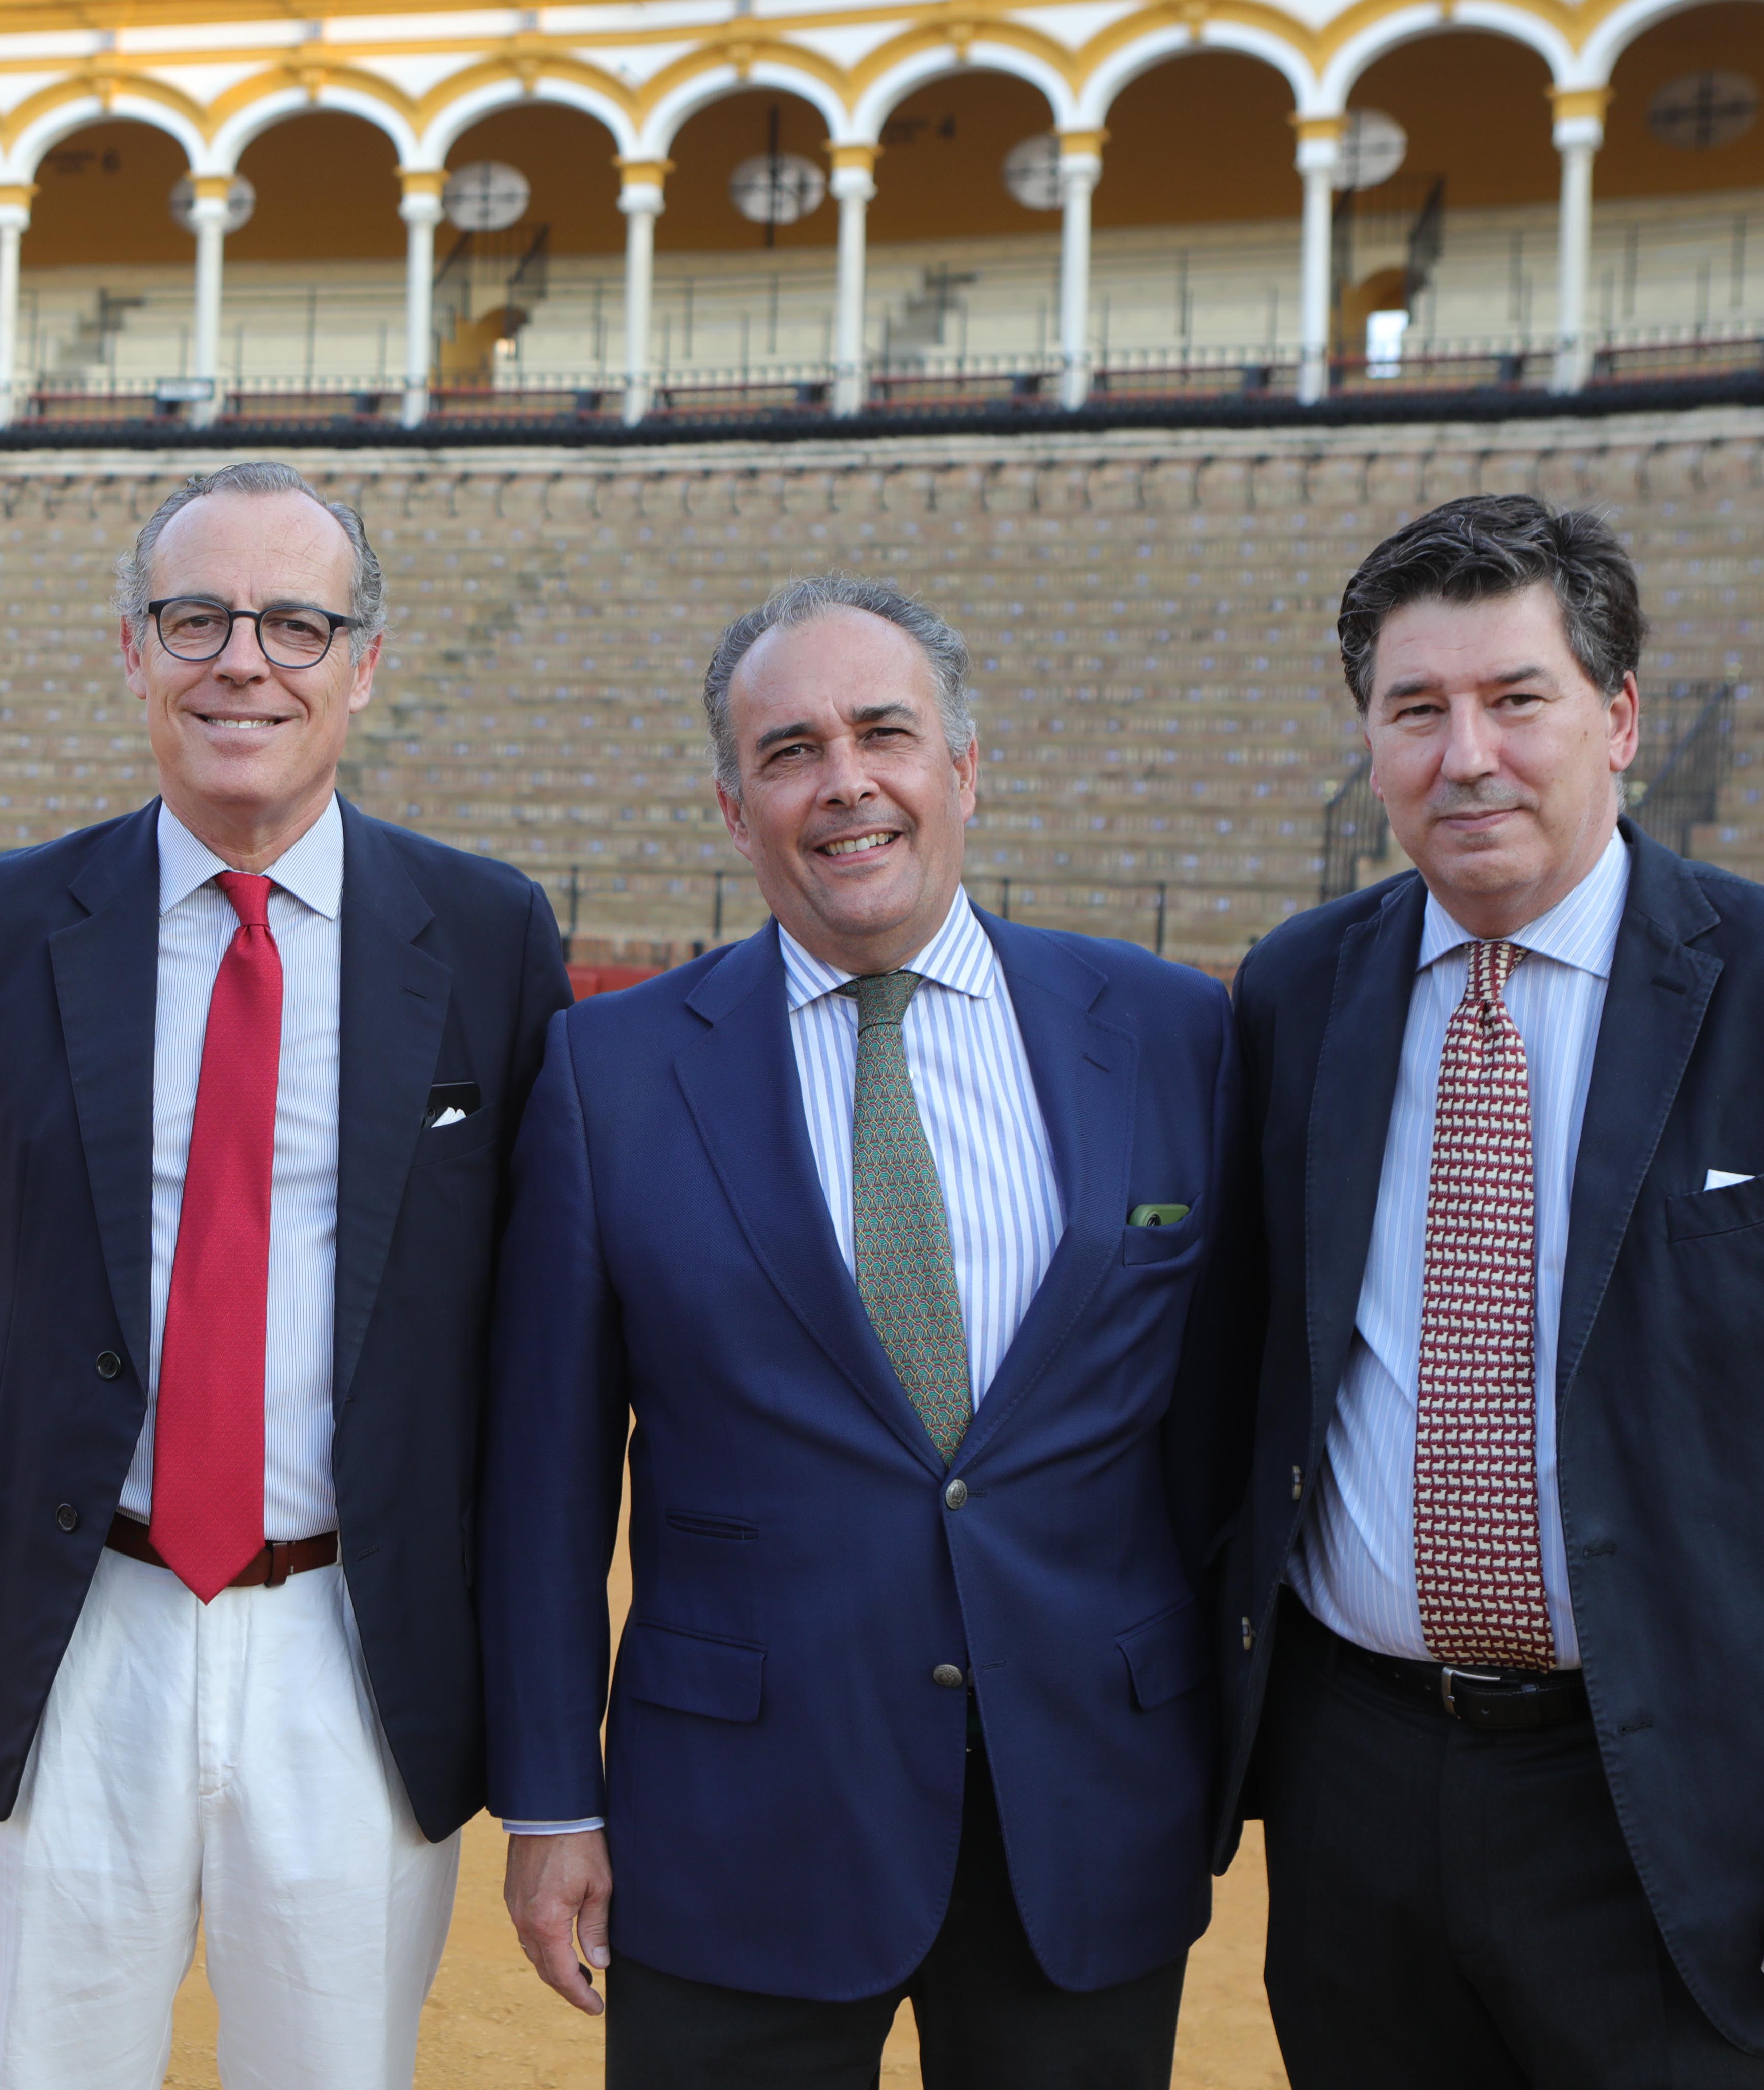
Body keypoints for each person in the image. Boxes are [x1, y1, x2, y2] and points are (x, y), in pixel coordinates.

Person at [1213, 494, 1764, 2085]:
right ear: (1372, 744)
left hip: (1692, 1811)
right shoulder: (1297, 995)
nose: (1468, 756)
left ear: (1620, 719)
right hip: (1357, 1796)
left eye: (1518, 700)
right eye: (1416, 711)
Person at [479, 574, 1247, 2088]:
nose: (847, 783)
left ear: (963, 767)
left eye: (886, 733)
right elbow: (546, 1483)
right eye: (790, 750)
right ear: (731, 805)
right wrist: (552, 1802)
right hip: (736, 1820)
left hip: (1085, 1803)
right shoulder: (608, 1073)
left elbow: (1224, 1425)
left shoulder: (1172, 1033)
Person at [0, 460, 572, 2090]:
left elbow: (524, 1309)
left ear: (364, 663)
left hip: (359, 1632)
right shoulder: (0, 921)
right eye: (196, 619)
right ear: (135, 651)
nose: (242, 662)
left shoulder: (487, 936)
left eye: (294, 623)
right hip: (76, 1619)